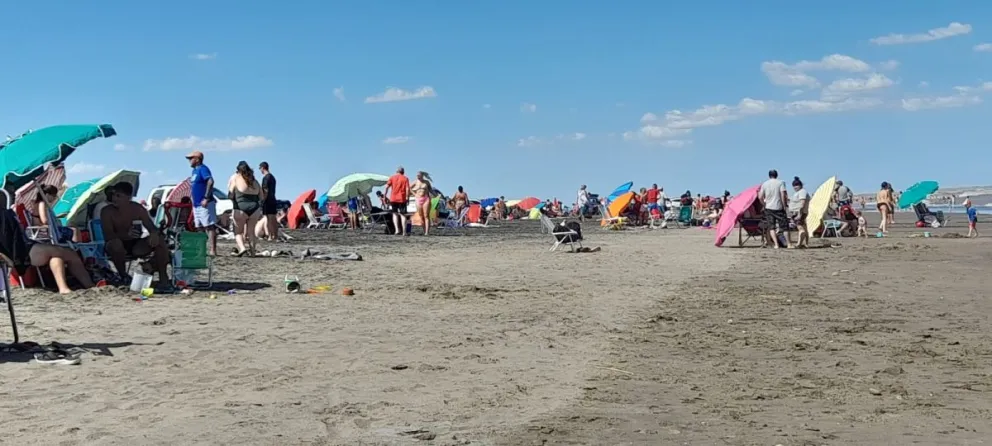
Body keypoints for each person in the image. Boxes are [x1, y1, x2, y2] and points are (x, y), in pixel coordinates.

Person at [0, 209, 94, 294]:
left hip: (17, 251)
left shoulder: (6, 215)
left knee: (57, 256)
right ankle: (89, 286)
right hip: (22, 252)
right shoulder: (6, 214)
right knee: (71, 254)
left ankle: (64, 288)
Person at [101, 182, 172, 289]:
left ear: (128, 197)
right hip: (115, 244)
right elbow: (108, 235)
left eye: (119, 196)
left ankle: (163, 277)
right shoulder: (107, 211)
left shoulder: (137, 209)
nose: (114, 198)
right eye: (114, 195)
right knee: (115, 244)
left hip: (135, 244)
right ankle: (123, 275)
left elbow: (151, 227)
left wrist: (154, 233)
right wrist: (125, 235)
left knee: (159, 239)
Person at [228, 161, 264, 256]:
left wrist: (234, 200)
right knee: (251, 232)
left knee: (238, 232)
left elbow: (230, 194)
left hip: (240, 207)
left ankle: (242, 248)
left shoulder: (236, 178)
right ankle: (252, 252)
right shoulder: (255, 181)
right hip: (255, 209)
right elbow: (262, 197)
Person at [186, 151, 217, 256]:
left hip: (204, 203)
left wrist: (206, 197)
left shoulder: (203, 169)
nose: (189, 160)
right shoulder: (194, 171)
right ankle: (202, 249)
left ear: (197, 159)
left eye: (191, 158)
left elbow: (210, 181)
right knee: (199, 227)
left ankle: (213, 250)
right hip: (196, 204)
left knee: (209, 225)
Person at [759, 169, 791, 249]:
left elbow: (760, 196)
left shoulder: (765, 184)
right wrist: (784, 205)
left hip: (769, 207)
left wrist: (764, 204)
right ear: (777, 175)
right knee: (784, 227)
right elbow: (783, 195)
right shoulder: (780, 183)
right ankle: (789, 244)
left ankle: (776, 244)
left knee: (772, 227)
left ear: (769, 175)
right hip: (778, 207)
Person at [383, 166, 410, 236]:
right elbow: (407, 189)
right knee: (403, 215)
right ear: (403, 172)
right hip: (402, 199)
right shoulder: (405, 178)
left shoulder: (392, 177)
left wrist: (384, 196)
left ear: (396, 171)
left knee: (395, 214)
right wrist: (407, 198)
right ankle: (404, 231)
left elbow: (386, 187)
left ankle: (397, 230)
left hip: (393, 198)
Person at [788, 177, 810, 248]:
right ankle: (806, 243)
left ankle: (799, 244)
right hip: (799, 212)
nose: (795, 187)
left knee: (800, 228)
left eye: (796, 185)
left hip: (800, 212)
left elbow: (802, 204)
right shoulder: (798, 192)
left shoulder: (802, 192)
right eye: (794, 186)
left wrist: (799, 214)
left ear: (800, 185)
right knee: (804, 228)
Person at [259, 161, 278, 241]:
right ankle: (275, 235)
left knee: (268, 219)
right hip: (273, 199)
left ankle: (270, 235)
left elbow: (265, 190)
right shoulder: (273, 177)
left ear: (263, 168)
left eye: (260, 168)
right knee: (273, 219)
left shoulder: (266, 178)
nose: (260, 170)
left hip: (267, 200)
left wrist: (262, 199)